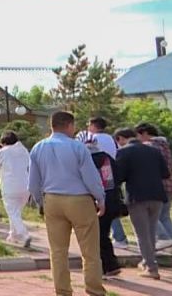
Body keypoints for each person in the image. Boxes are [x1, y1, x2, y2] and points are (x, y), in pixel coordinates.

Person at [28, 111, 106, 296]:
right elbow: (90, 177)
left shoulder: (38, 147)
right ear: (70, 125)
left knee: (58, 251)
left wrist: (41, 201)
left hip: (52, 199)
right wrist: (100, 198)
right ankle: (94, 290)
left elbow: (33, 182)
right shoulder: (78, 148)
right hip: (79, 199)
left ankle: (62, 291)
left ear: (52, 125)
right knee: (90, 251)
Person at [114, 127, 170, 280]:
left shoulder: (124, 152)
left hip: (137, 197)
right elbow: (166, 173)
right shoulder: (153, 151)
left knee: (142, 234)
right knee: (151, 232)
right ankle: (147, 262)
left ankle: (151, 267)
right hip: (157, 195)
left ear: (121, 139)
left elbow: (118, 177)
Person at [79, 117, 129, 250]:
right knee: (109, 209)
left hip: (98, 179)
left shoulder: (92, 140)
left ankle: (118, 237)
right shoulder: (111, 139)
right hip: (111, 176)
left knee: (101, 211)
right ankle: (118, 236)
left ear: (93, 125)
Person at [81, 131, 123, 278]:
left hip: (97, 201)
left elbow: (89, 181)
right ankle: (110, 265)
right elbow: (118, 177)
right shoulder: (107, 157)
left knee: (96, 236)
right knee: (103, 233)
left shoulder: (86, 159)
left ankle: (106, 266)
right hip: (113, 200)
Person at [135, 122, 172, 250]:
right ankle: (171, 245)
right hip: (170, 185)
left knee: (151, 215)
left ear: (145, 134)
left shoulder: (149, 146)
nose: (138, 139)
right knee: (164, 216)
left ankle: (164, 238)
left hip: (157, 186)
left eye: (138, 135)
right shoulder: (164, 145)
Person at [0, 131, 31, 246]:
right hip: (25, 185)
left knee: (12, 212)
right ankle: (13, 235)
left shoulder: (4, 151)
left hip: (9, 186)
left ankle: (24, 234)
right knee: (16, 213)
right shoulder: (24, 150)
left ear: (4, 142)